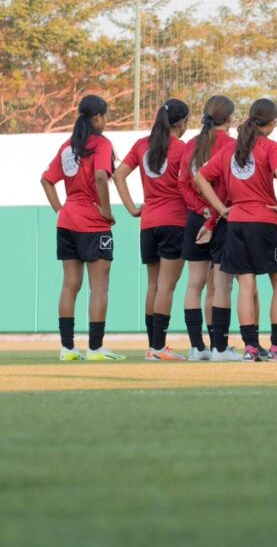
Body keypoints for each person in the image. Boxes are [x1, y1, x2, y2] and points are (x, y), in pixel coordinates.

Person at [194, 98, 277, 361]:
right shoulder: (272, 147)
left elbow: (200, 176)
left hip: (237, 223)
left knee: (246, 285)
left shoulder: (231, 149)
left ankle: (251, 349)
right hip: (266, 222)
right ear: (272, 123)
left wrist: (222, 208)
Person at [40, 95, 125, 361]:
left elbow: (46, 180)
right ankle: (96, 349)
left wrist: (60, 210)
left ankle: (67, 349)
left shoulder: (68, 146)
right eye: (105, 116)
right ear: (98, 117)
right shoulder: (101, 143)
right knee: (99, 286)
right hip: (93, 222)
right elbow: (101, 176)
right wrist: (108, 211)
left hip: (67, 222)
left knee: (69, 285)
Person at [114, 99, 190, 361]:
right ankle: (158, 348)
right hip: (174, 223)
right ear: (182, 123)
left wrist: (132, 208)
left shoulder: (141, 145)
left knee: (154, 286)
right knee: (167, 287)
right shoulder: (181, 149)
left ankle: (152, 346)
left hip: (149, 224)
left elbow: (118, 175)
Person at [177, 94, 241, 361]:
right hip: (221, 218)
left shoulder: (190, 145)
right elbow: (228, 187)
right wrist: (212, 214)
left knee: (194, 284)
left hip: (197, 218)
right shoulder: (232, 145)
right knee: (218, 286)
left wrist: (200, 209)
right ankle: (218, 348)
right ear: (230, 119)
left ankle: (197, 347)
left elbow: (182, 184)